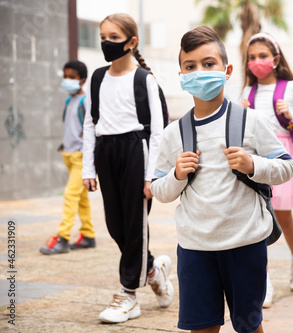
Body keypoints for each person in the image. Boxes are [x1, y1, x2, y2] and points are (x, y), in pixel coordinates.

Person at [151, 26, 293, 333]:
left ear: (227, 71)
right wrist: (177, 175)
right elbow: (159, 190)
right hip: (195, 248)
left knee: (249, 326)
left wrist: (252, 163)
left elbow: (285, 167)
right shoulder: (173, 133)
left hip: (245, 244)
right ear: (181, 75)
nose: (199, 71)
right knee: (202, 328)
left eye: (208, 63)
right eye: (190, 66)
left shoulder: (251, 120)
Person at [81, 13, 174, 323]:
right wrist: (88, 168)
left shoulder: (144, 79)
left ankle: (128, 294)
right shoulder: (96, 78)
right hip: (107, 152)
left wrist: (152, 175)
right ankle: (153, 270)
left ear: (132, 42)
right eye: (103, 37)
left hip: (137, 150)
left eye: (114, 37)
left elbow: (158, 130)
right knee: (115, 225)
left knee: (134, 225)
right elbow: (90, 123)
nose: (107, 43)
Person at [239, 32, 293, 306]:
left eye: (262, 56)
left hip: (281, 154)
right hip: (255, 160)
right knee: (260, 221)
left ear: (275, 59)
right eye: (251, 58)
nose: (257, 62)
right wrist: (240, 112)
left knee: (283, 218)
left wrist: (291, 115)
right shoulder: (246, 92)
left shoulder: (292, 87)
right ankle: (265, 281)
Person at [40, 60, 96, 255]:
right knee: (81, 198)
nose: (67, 80)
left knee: (71, 194)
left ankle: (62, 237)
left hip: (80, 157)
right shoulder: (69, 100)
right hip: (68, 154)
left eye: (72, 77)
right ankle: (88, 235)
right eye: (65, 76)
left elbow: (91, 129)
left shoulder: (86, 101)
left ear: (82, 80)